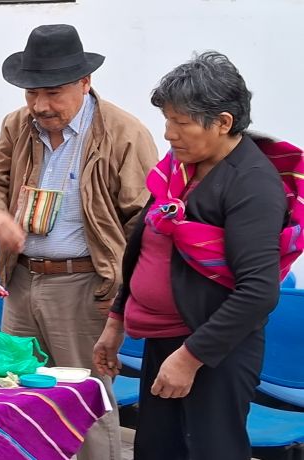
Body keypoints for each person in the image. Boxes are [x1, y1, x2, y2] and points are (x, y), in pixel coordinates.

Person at [94, 51, 302, 460]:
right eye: (167, 120)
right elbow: (147, 247)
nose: (169, 134)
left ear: (224, 122)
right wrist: (117, 320)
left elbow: (258, 292)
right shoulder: (179, 168)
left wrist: (190, 358)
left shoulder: (251, 186)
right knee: (157, 450)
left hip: (213, 348)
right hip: (163, 338)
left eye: (181, 122)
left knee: (211, 450)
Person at [0, 24, 158, 459]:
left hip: (84, 286)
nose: (40, 105)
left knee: (85, 402)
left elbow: (145, 222)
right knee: (16, 393)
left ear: (85, 82)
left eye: (53, 92)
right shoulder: (18, 126)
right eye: (31, 93)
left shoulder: (124, 133)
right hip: (21, 281)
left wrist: (121, 296)